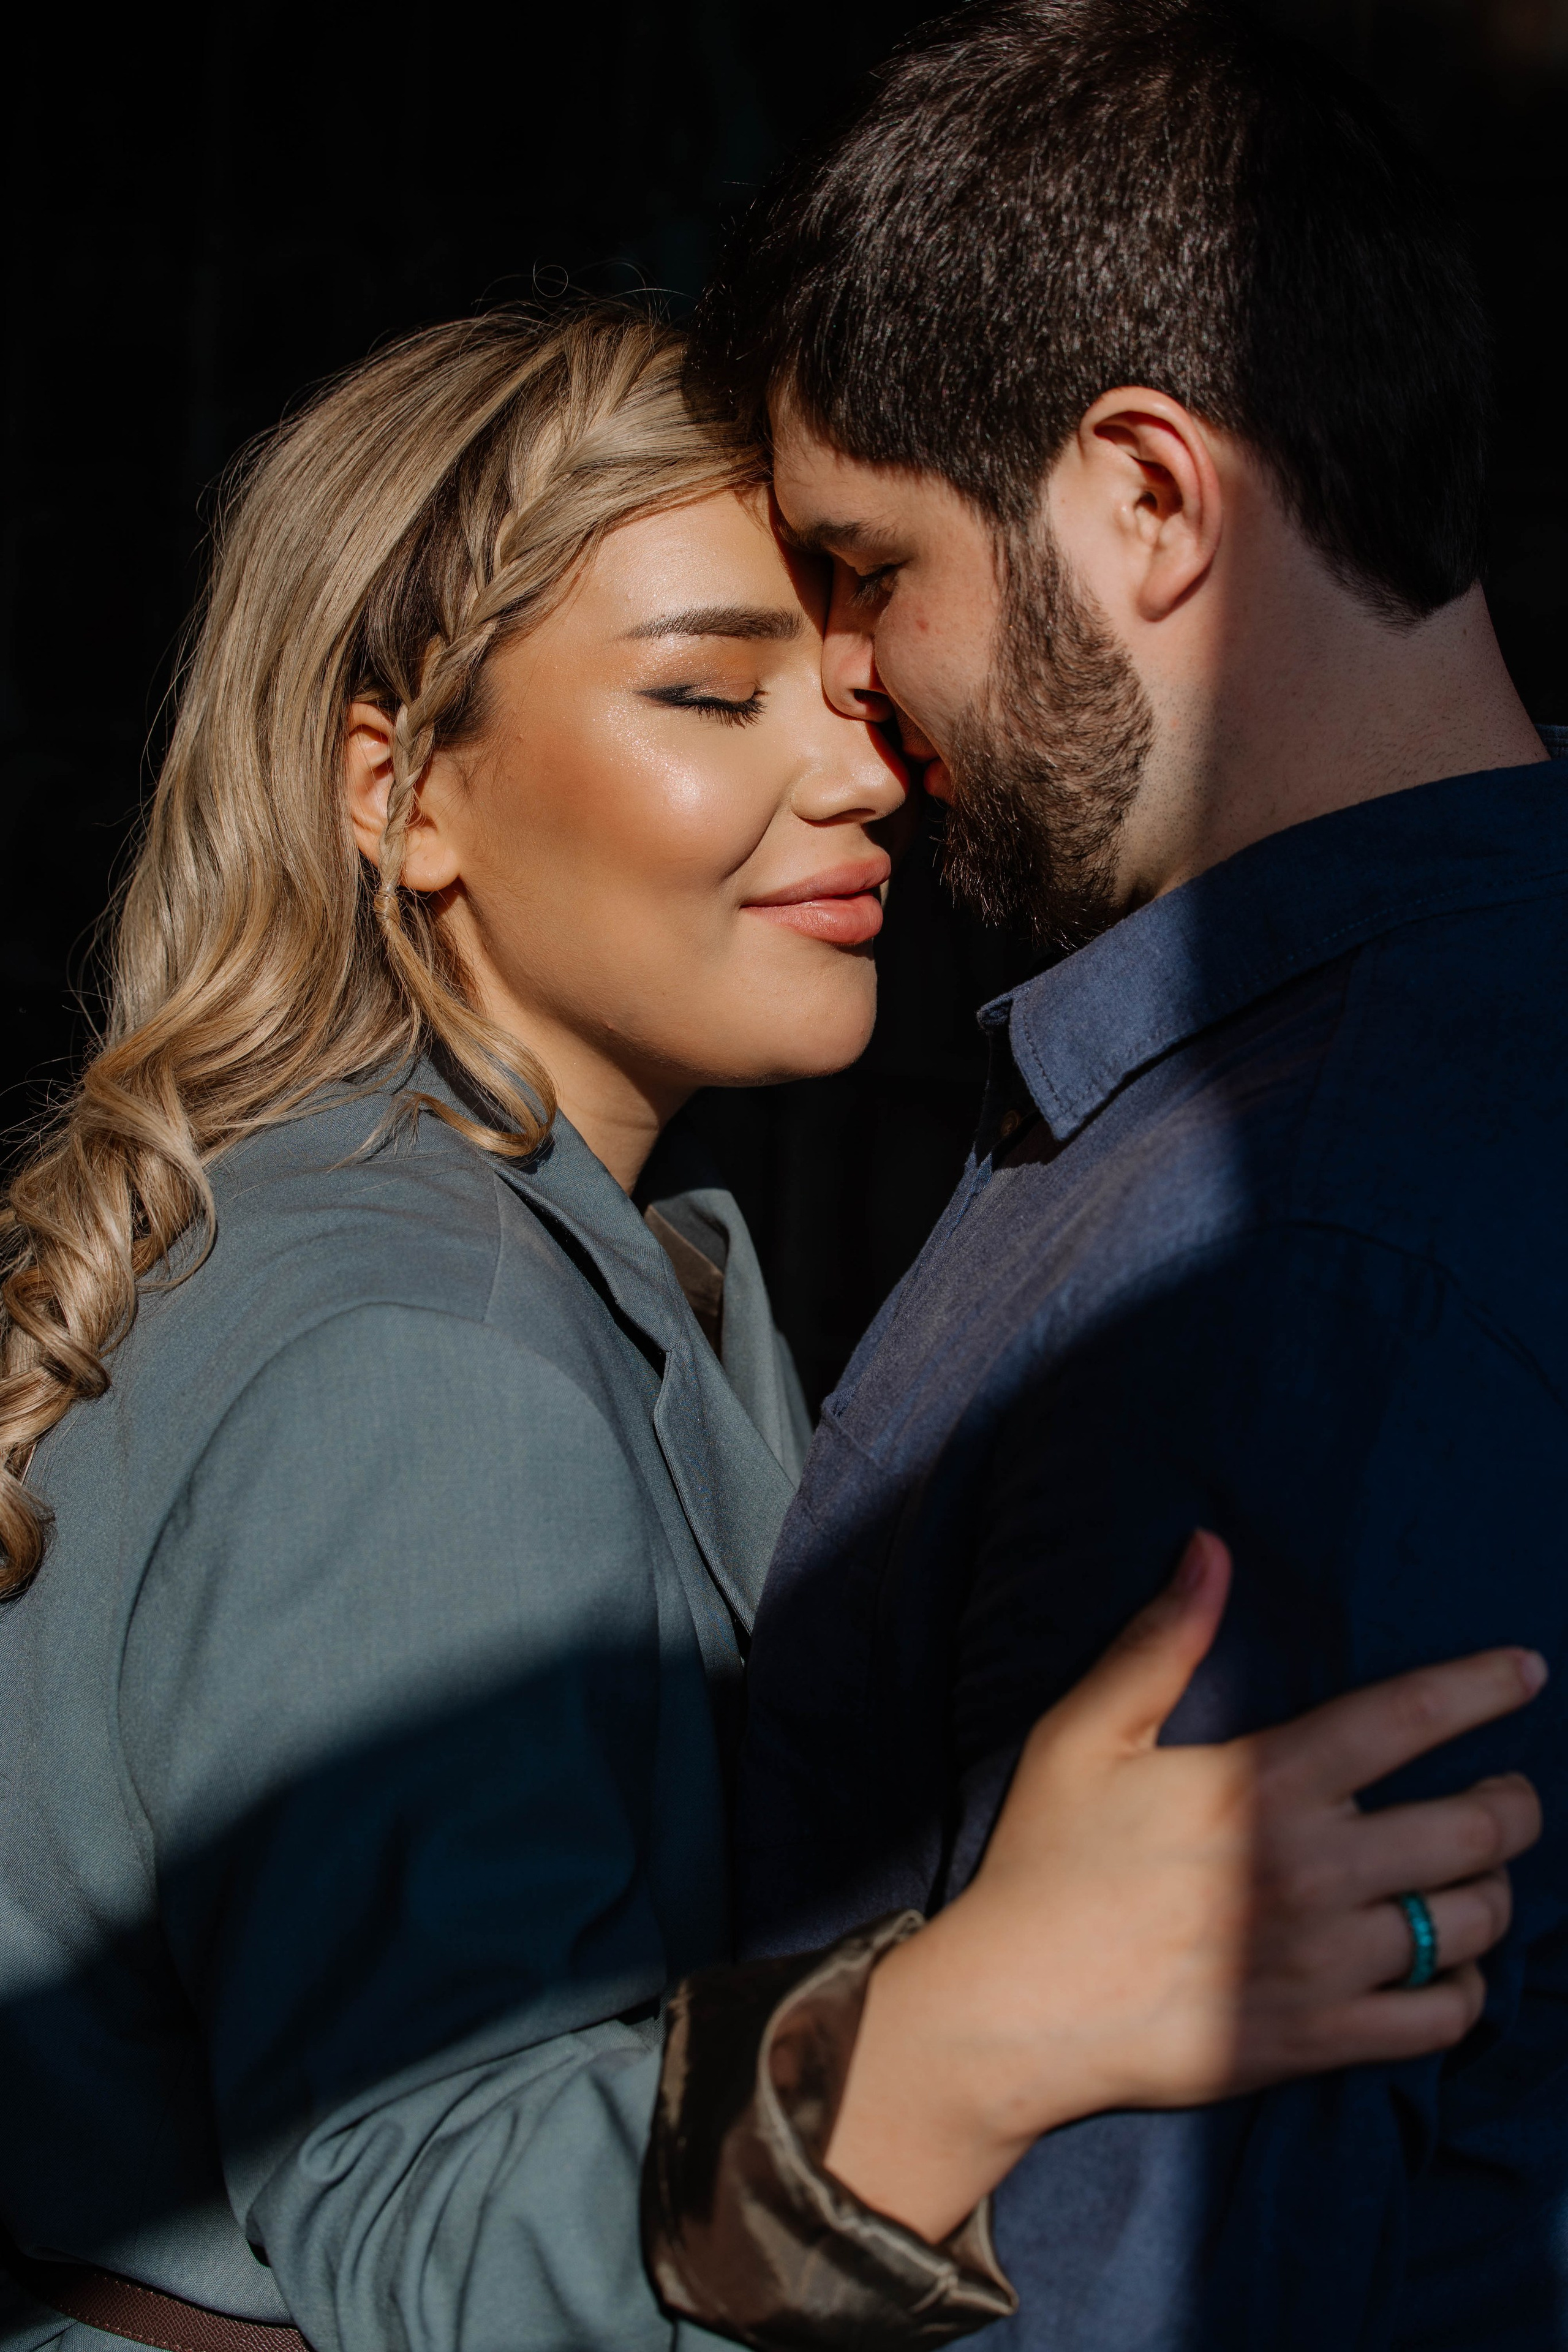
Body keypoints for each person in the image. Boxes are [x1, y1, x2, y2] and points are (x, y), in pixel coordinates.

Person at [0, 307, 1543, 2352]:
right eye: (713, 695)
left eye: (842, 682)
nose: (863, 774)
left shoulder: (480, 1246)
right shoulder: (415, 1348)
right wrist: (976, 2025)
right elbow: (415, 2220)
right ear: (401, 793)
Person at [678, 2, 1568, 2346]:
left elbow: (1133, 2282)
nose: (852, 689)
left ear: (1149, 499)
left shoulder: (1289, 1265)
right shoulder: (1358, 1092)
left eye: (871, 566)